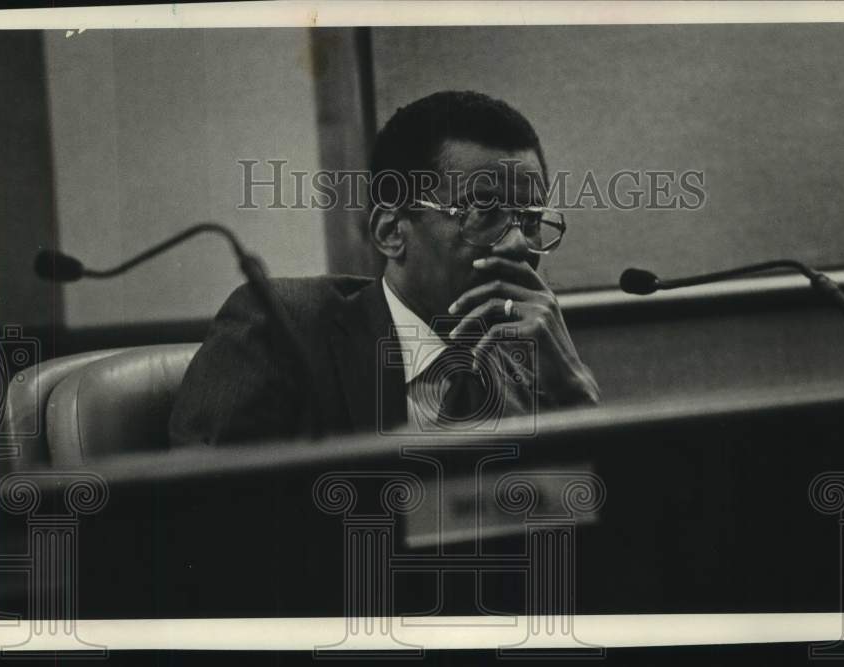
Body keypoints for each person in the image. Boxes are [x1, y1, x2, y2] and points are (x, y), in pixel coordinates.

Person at [169, 90, 599, 446]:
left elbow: (601, 522)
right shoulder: (282, 329)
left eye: (528, 220)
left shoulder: (530, 360)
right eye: (484, 211)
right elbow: (205, 516)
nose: (518, 244)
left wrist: (575, 388)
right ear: (391, 231)